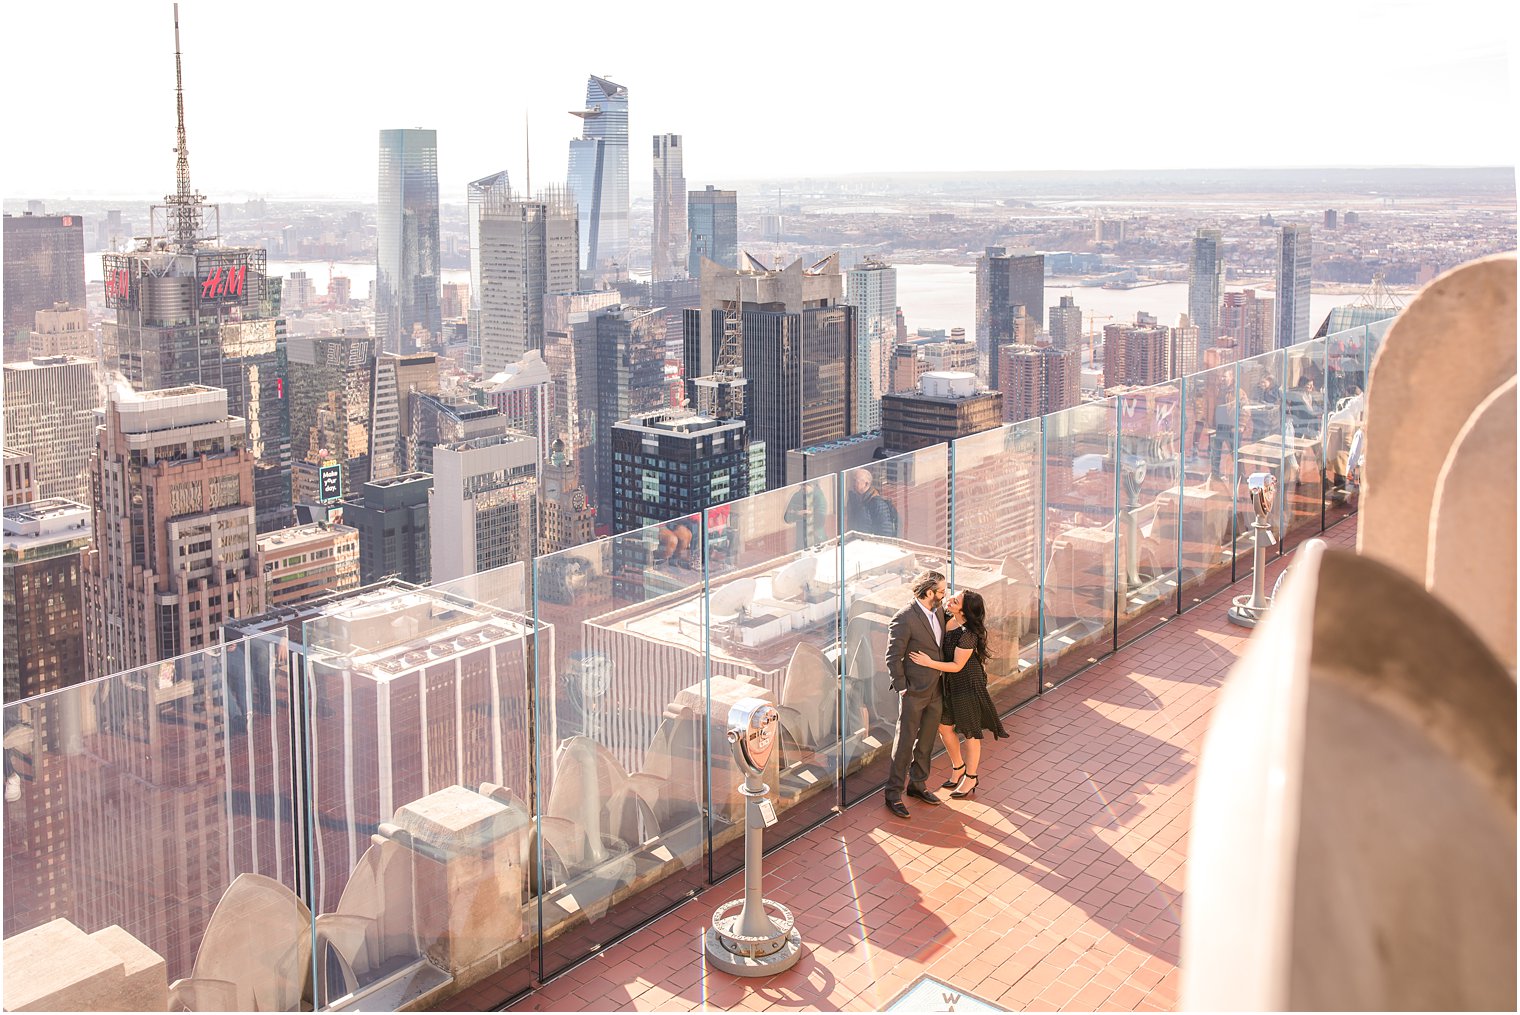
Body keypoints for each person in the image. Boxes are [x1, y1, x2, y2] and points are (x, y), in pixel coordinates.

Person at [911, 589, 1007, 799]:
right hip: (949, 683)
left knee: (970, 732)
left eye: (956, 600)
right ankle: (958, 768)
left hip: (967, 683)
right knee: (944, 727)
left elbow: (956, 665)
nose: (950, 599)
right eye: (954, 596)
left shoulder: (968, 634)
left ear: (964, 611)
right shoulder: (947, 618)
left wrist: (928, 663)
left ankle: (971, 777)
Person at [883, 570, 948, 818]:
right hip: (913, 691)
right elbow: (892, 657)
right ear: (929, 592)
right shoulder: (904, 618)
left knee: (928, 740)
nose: (944, 595)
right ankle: (893, 794)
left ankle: (917, 785)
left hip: (936, 689)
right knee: (905, 742)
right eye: (941, 591)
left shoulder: (939, 611)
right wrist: (902, 688)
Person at [847, 468, 899, 539]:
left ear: (866, 484)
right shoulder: (855, 499)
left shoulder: (877, 503)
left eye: (856, 481)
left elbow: (885, 531)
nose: (853, 484)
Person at [783, 480, 827, 550]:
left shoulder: (818, 496)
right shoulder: (797, 496)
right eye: (802, 485)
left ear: (812, 485)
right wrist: (798, 514)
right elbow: (787, 518)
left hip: (818, 540)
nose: (802, 487)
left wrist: (809, 514)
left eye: (805, 485)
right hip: (801, 542)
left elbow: (820, 521)